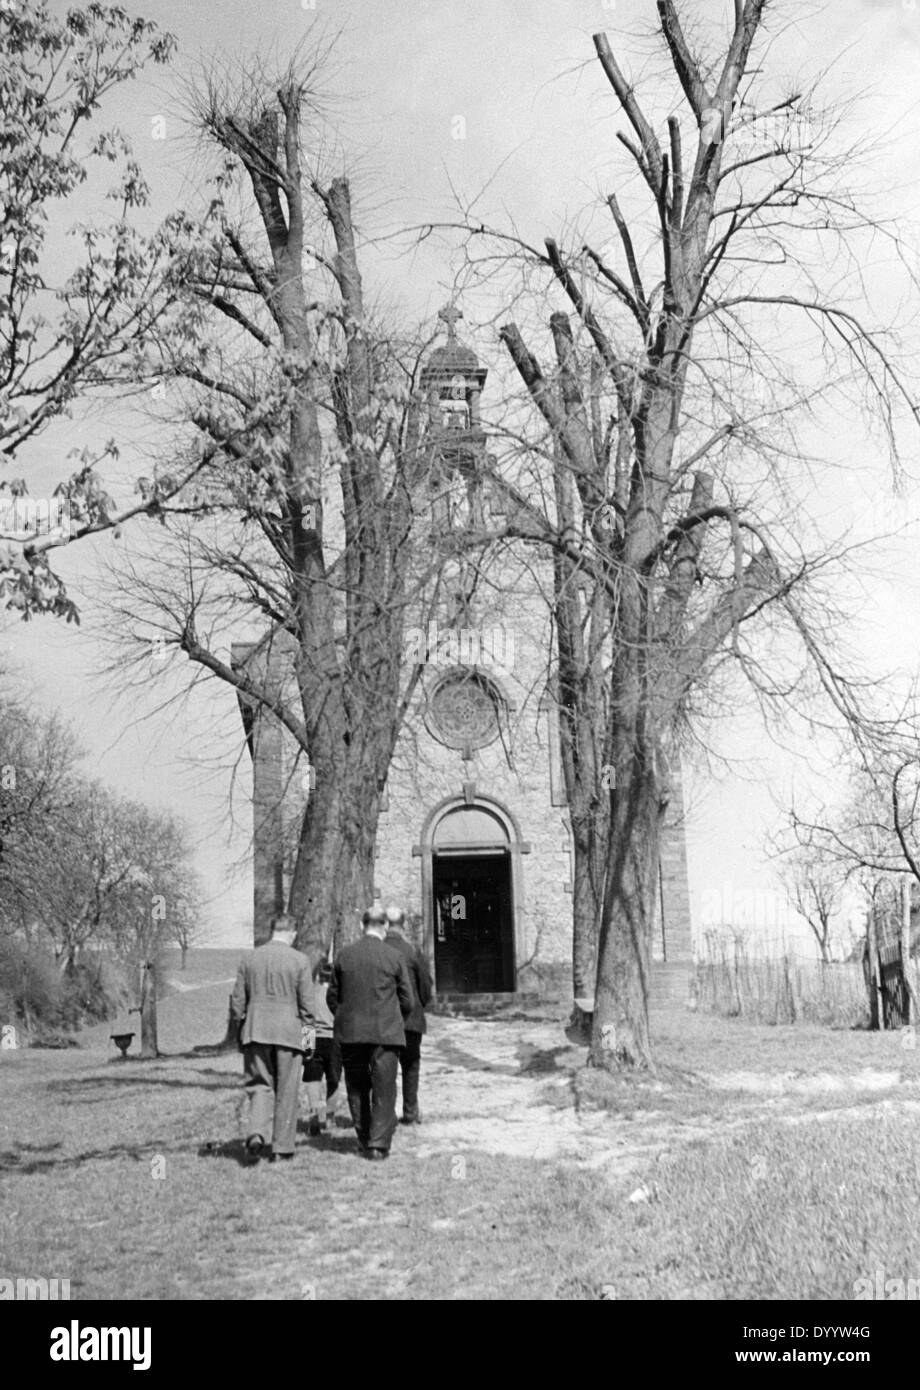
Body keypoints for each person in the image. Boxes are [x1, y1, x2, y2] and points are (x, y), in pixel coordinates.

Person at [327, 906, 413, 1160]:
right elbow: (407, 999)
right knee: (384, 1086)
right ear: (385, 926)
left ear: (362, 925)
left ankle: (364, 1138)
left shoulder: (345, 955)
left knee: (357, 1086)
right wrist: (395, 1019)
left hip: (351, 1032)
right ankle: (378, 1143)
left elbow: (332, 996)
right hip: (386, 1033)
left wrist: (346, 1017)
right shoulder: (393, 956)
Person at [230, 914, 314, 1164]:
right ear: (292, 933)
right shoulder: (300, 960)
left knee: (259, 1086)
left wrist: (241, 1028)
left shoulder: (249, 958)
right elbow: (308, 1008)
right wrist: (309, 1043)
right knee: (287, 1090)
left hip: (256, 1031)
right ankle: (282, 1148)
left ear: (272, 930)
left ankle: (256, 1133)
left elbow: (237, 1002)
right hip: (289, 1033)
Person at [385, 905, 432, 1125]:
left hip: (385, 1021)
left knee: (386, 1067)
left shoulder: (379, 949)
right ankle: (411, 1112)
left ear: (386, 925)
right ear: (403, 925)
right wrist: (419, 1005)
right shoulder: (413, 951)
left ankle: (386, 1113)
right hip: (411, 1019)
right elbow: (426, 985)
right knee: (411, 1066)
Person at [302, 956, 343, 1134]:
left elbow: (305, 1017)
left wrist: (306, 1047)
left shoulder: (310, 992)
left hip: (312, 1036)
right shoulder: (338, 994)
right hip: (334, 1038)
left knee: (313, 1078)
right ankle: (330, 1117)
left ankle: (314, 1116)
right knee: (333, 1079)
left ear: (318, 975)